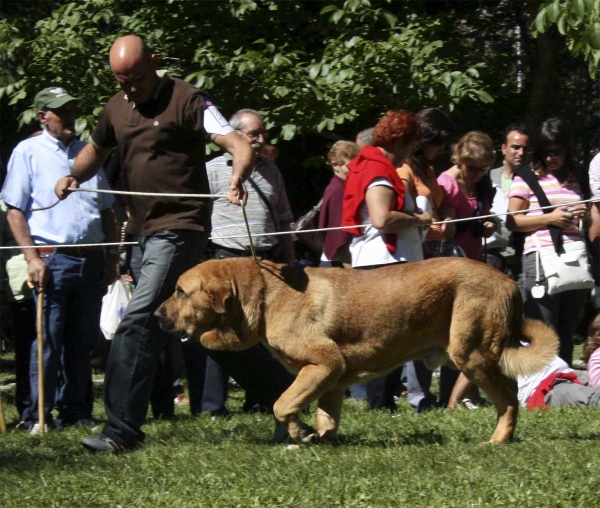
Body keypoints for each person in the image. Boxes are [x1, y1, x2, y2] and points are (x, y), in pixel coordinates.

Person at [54, 35, 291, 453]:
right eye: (121, 80)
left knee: (140, 318)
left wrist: (237, 176)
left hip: (181, 228)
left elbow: (235, 141)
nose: (130, 87)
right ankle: (288, 398)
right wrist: (74, 176)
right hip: (144, 231)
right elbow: (96, 147)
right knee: (206, 329)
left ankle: (120, 431)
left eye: (137, 78)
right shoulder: (116, 107)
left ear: (155, 63)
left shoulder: (188, 99)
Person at [1, 86, 119, 433]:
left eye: (70, 110)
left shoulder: (88, 152)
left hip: (91, 259)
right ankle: (39, 415)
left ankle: (77, 412)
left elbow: (108, 210)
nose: (68, 117)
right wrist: (32, 258)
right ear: (42, 116)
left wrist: (112, 257)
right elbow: (14, 211)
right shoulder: (28, 152)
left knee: (82, 344)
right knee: (47, 342)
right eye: (60, 111)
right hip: (52, 259)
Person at [191, 108, 295, 416]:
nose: (261, 139)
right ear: (236, 136)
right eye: (254, 134)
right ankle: (212, 406)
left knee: (263, 333)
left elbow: (285, 220)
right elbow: (198, 216)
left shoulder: (273, 171)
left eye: (264, 133)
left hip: (266, 262)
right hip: (225, 259)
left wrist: (289, 262)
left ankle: (262, 398)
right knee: (217, 331)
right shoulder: (212, 170)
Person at [342, 110, 430, 410]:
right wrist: (418, 218)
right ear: (400, 141)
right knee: (383, 339)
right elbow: (381, 218)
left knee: (390, 337)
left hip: (382, 262)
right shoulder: (378, 171)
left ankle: (384, 401)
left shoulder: (371, 165)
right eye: (411, 144)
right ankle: (379, 404)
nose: (412, 151)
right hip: (384, 263)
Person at [506, 118, 590, 366]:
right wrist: (551, 218)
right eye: (546, 152)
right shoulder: (527, 177)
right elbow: (513, 221)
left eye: (557, 152)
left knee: (567, 330)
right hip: (540, 258)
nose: (551, 158)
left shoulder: (578, 177)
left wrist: (582, 213)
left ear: (568, 149)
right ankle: (541, 385)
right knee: (544, 329)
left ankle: (561, 382)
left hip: (574, 258)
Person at [395, 108, 461, 413]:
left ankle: (442, 395)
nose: (441, 149)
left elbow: (438, 207)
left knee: (440, 327)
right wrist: (431, 225)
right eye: (438, 143)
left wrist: (446, 220)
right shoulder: (404, 170)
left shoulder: (430, 170)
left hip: (437, 254)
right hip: (415, 257)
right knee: (418, 329)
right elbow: (404, 214)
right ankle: (418, 397)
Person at [438, 131, 498, 262]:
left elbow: (484, 216)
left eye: (483, 169)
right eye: (472, 168)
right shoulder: (448, 184)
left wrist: (489, 226)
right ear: (459, 160)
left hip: (476, 258)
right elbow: (449, 234)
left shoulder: (483, 182)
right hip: (453, 261)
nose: (478, 174)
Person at [486, 124, 530, 280]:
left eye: (525, 148)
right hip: (492, 258)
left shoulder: (534, 181)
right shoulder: (488, 178)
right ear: (504, 148)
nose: (521, 153)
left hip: (522, 258)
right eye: (516, 147)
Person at [318, 140, 359, 267]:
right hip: (339, 264)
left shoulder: (344, 187)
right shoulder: (337, 190)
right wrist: (354, 274)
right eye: (351, 165)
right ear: (335, 165)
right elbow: (339, 238)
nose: (356, 169)